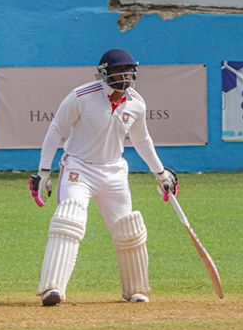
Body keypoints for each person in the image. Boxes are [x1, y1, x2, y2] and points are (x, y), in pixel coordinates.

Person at [28, 48, 177, 306]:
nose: (125, 76)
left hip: (114, 172)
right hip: (79, 168)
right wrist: (43, 171)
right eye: (119, 71)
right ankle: (52, 288)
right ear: (104, 73)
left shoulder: (136, 103)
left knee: (128, 229)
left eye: (129, 71)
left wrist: (160, 172)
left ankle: (135, 290)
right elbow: (56, 130)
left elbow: (141, 139)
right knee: (70, 216)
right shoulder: (81, 96)